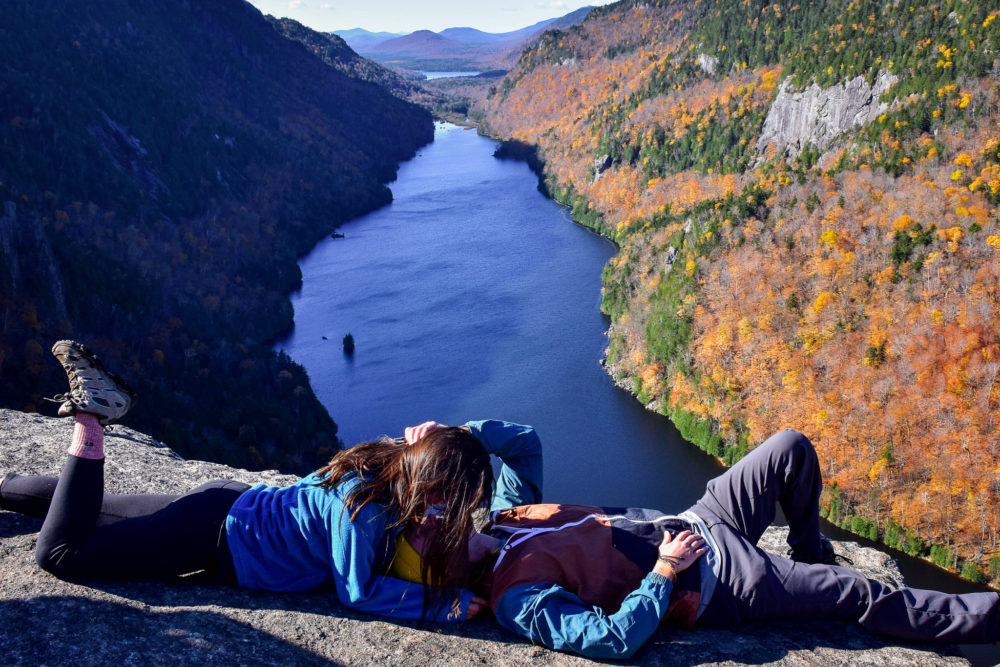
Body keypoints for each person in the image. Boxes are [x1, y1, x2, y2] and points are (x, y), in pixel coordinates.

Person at [0, 340, 530, 623]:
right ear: (432, 485)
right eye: (453, 501)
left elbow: (429, 466)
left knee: (87, 512)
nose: (451, 514)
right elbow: (358, 592)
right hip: (212, 540)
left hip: (222, 504)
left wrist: (445, 442)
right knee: (62, 554)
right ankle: (90, 422)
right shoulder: (362, 512)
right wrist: (442, 606)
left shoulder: (387, 461)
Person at [392, 421, 1000, 659]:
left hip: (701, 517)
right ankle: (988, 618)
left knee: (789, 448)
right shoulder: (512, 596)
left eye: (426, 510)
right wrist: (662, 573)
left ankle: (812, 553)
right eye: (422, 530)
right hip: (712, 581)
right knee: (859, 596)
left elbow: (523, 443)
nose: (428, 517)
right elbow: (607, 642)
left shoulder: (504, 519)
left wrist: (455, 436)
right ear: (436, 564)